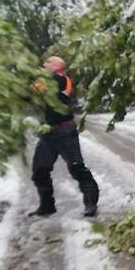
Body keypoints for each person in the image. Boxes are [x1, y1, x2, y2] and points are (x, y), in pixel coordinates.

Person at [29, 56, 99, 217]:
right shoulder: (45, 81)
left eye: (47, 62)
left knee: (77, 167)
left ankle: (91, 204)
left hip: (65, 132)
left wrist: (33, 84)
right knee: (40, 170)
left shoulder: (62, 80)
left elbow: (42, 87)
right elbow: (32, 93)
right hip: (48, 134)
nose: (43, 64)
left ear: (57, 67)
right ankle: (47, 206)